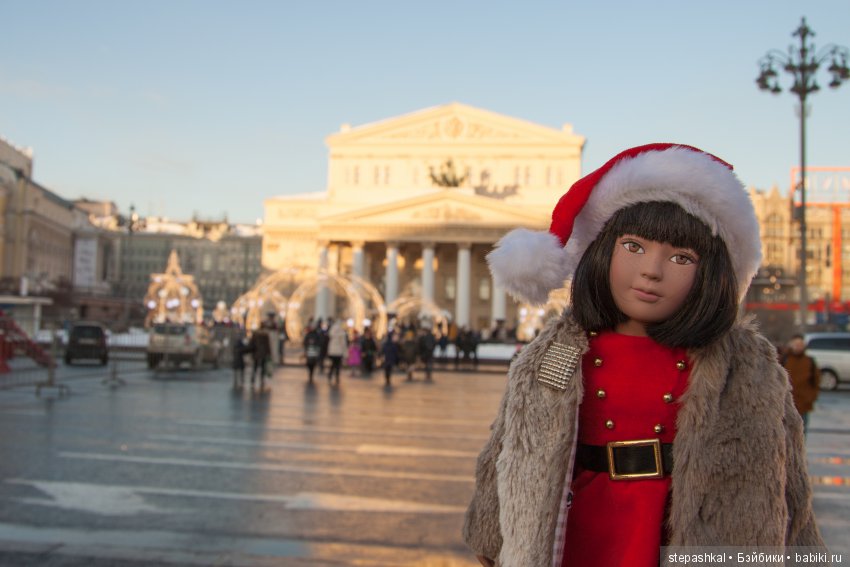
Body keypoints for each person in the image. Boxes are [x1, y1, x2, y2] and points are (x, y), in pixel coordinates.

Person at [463, 144, 825, 567]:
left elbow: (790, 483)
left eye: (680, 257)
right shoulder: (558, 353)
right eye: (634, 247)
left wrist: (803, 551)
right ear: (602, 252)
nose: (652, 270)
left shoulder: (744, 366)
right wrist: (491, 536)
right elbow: (509, 447)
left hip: (684, 528)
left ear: (711, 275)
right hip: (581, 524)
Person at [782, 334, 821, 435]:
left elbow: (816, 382)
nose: (798, 347)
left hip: (804, 404)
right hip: (786, 404)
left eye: (800, 344)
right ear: (791, 345)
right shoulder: (784, 359)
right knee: (786, 433)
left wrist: (811, 397)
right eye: (796, 344)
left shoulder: (810, 361)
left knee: (802, 432)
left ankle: (801, 450)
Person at [326, 319, 347, 386]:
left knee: (333, 364)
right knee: (337, 365)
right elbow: (343, 344)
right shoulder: (341, 334)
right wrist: (345, 353)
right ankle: (337, 376)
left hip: (332, 352)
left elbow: (329, 344)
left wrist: (329, 352)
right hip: (339, 352)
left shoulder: (332, 333)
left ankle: (330, 374)